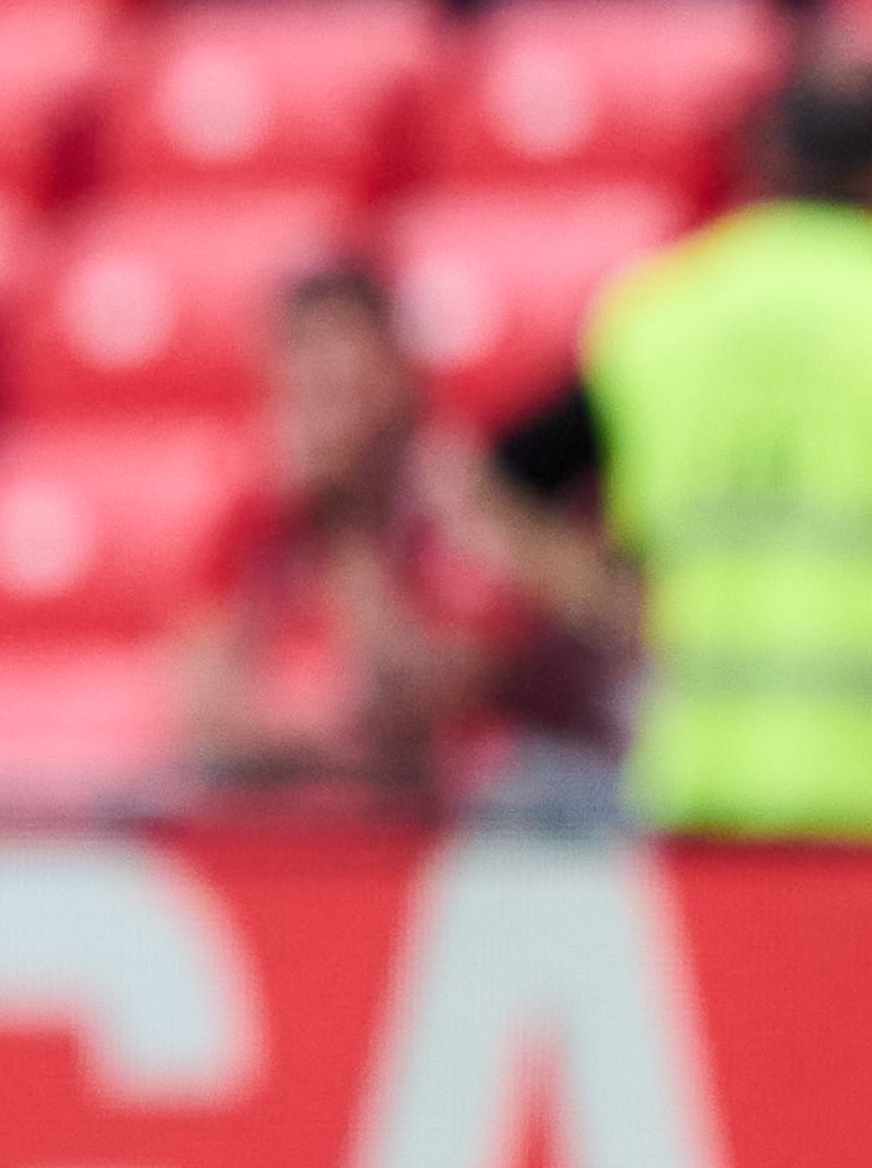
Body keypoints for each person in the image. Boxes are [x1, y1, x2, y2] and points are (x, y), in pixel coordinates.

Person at [481, 60, 872, 846]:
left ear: (765, 162)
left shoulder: (658, 315)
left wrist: (607, 604)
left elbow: (486, 484)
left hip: (710, 787)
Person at [174, 262, 601, 808]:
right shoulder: (255, 508)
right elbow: (205, 712)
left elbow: (417, 700)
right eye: (305, 357)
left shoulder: (460, 496)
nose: (327, 379)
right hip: (358, 797)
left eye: (349, 358)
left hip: (512, 802)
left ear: (400, 370)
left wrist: (345, 533)